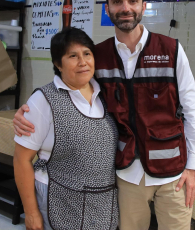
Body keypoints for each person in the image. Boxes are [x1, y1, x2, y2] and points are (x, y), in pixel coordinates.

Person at [14, 0, 195, 230]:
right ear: (108, 7)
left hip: (173, 173)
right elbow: (66, 87)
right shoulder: (97, 55)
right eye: (117, 1)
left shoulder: (171, 50)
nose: (125, 7)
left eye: (133, 0)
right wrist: (28, 110)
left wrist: (194, 166)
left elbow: (192, 110)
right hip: (126, 175)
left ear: (143, 5)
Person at [13, 27, 119, 230]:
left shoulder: (105, 94)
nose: (83, 62)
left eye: (87, 53)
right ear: (57, 64)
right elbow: (21, 159)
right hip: (58, 199)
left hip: (104, 202)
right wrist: (32, 213)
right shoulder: (43, 100)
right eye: (73, 56)